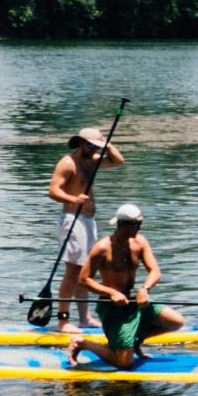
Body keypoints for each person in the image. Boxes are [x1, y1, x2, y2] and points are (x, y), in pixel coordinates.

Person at [66, 204, 184, 368]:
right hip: (112, 308)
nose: (140, 228)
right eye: (136, 224)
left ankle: (134, 342)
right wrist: (111, 292)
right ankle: (82, 343)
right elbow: (84, 279)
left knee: (175, 321)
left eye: (140, 223)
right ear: (121, 224)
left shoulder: (140, 242)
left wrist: (144, 289)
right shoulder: (102, 248)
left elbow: (155, 271)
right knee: (124, 363)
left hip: (134, 301)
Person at [47, 125, 124, 334]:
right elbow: (53, 191)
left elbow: (118, 161)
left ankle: (85, 318)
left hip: (88, 220)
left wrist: (107, 144)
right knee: (72, 271)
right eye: (90, 145)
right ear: (80, 143)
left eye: (96, 146)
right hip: (72, 219)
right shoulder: (67, 163)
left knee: (85, 271)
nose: (93, 149)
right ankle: (63, 321)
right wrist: (73, 198)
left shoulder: (92, 161)